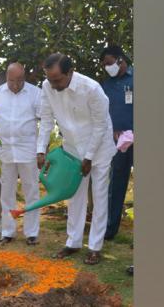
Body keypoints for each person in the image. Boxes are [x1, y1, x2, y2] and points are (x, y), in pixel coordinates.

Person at [37, 53, 117, 265]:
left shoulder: (91, 89)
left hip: (99, 150)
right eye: (50, 79)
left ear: (70, 72)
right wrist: (40, 150)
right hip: (72, 150)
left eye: (57, 80)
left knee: (99, 198)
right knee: (74, 197)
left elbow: (101, 125)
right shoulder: (47, 86)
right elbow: (46, 119)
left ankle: (95, 247)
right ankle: (72, 243)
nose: (53, 85)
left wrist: (89, 157)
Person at [0, 62, 42, 246]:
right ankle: (8, 231)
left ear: (24, 77)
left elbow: (46, 120)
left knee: (32, 190)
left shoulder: (35, 93)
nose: (16, 85)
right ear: (6, 77)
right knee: (6, 192)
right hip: (5, 152)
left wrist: (42, 148)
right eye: (12, 80)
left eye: (20, 80)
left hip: (28, 149)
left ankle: (31, 232)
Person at [99, 45, 134, 241]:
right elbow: (103, 113)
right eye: (104, 65)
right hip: (119, 142)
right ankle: (110, 229)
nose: (107, 67)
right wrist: (112, 131)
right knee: (116, 184)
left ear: (120, 59)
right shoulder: (106, 85)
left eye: (109, 63)